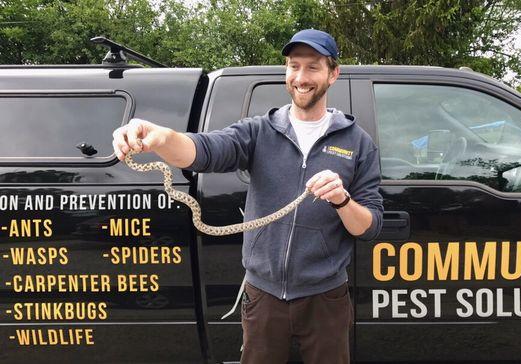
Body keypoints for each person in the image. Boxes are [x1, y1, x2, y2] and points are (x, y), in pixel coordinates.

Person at [112, 29, 383, 364]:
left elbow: (369, 227)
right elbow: (204, 151)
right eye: (293, 66)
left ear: (333, 73)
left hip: (326, 297)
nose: (301, 77)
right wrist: (160, 136)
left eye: (313, 67)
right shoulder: (258, 131)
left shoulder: (358, 144)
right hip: (263, 295)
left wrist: (342, 200)